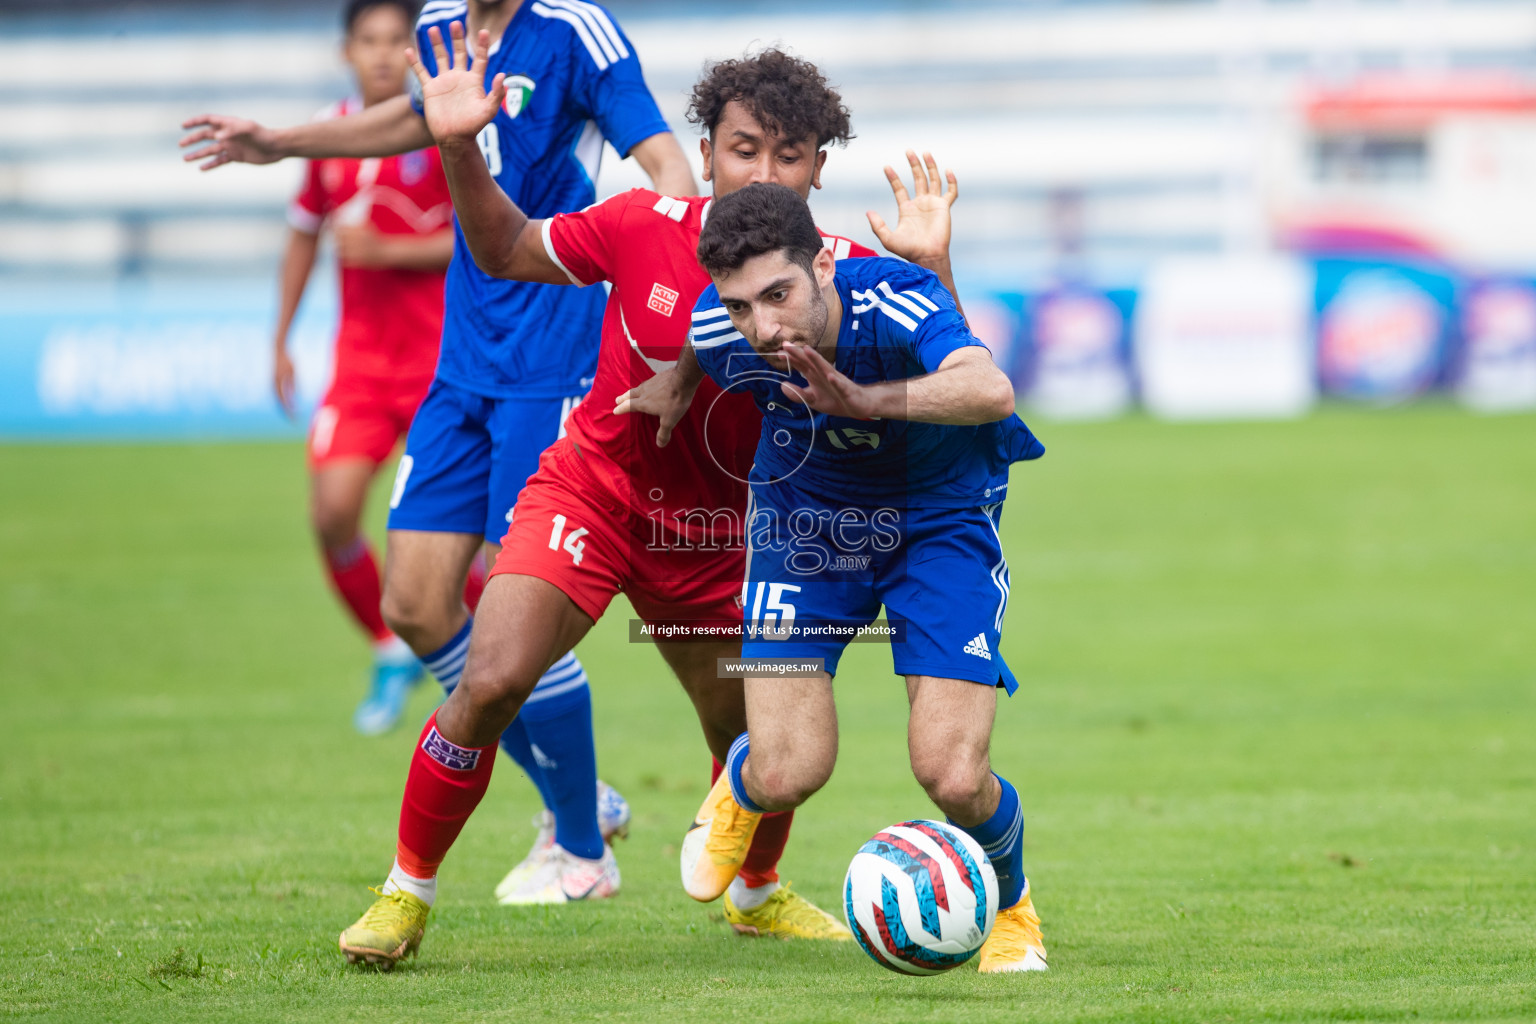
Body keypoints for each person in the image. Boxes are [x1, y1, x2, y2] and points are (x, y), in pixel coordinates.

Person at [333, 30, 966, 967]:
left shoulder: (841, 269)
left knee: (755, 742)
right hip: (596, 496)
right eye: (744, 147)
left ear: (820, 170)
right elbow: (505, 247)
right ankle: (404, 893)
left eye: (789, 156)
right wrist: (460, 144)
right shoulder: (638, 222)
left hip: (731, 534)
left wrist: (934, 269)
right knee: (493, 677)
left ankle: (755, 892)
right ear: (705, 149)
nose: (763, 171)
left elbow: (955, 369)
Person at [181, 0, 696, 904]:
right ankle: (580, 798)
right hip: (464, 361)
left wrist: (678, 301)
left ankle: (579, 846)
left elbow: (665, 164)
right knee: (416, 603)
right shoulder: (440, 25)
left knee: (513, 599)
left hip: (555, 352)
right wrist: (287, 143)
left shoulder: (578, 31)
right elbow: (417, 115)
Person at [675, 181, 1050, 974]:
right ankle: (742, 781)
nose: (764, 327)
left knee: (951, 773)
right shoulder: (720, 330)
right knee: (788, 770)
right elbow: (696, 358)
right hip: (803, 524)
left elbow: (989, 389)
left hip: (937, 522)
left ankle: (1013, 908)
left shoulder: (896, 293)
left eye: (778, 294)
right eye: (742, 306)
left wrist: (864, 399)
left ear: (824, 264)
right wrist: (669, 392)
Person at [271, 0, 455, 735]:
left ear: (415, 53)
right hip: (361, 369)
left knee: (461, 539)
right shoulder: (330, 136)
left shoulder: (446, 126)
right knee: (332, 512)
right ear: (347, 51)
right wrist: (281, 335)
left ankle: (459, 658)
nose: (382, 55)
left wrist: (392, 253)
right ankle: (389, 646)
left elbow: (488, 240)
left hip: (444, 365)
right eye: (368, 42)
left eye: (395, 42)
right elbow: (302, 236)